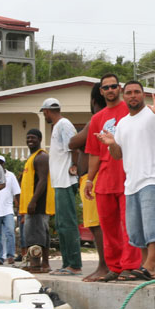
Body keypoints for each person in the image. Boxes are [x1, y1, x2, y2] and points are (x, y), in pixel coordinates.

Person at [96, 81, 155, 280]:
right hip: (132, 182)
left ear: (143, 95)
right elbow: (118, 155)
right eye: (129, 92)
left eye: (137, 92)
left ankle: (150, 266)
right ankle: (145, 268)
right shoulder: (123, 123)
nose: (133, 95)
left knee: (153, 224)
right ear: (123, 96)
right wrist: (112, 143)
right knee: (137, 230)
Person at [85, 74, 142, 281]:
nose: (110, 90)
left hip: (129, 177)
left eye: (113, 86)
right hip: (105, 180)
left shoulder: (130, 111)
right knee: (108, 228)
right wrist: (90, 179)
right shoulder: (96, 119)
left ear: (119, 89)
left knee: (129, 225)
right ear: (101, 91)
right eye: (106, 87)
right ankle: (115, 267)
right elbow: (94, 153)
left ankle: (130, 266)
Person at [69, 82, 108, 282]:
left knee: (96, 225)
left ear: (93, 100)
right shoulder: (105, 118)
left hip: (93, 176)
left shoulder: (97, 118)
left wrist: (78, 142)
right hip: (92, 175)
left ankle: (104, 266)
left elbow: (73, 142)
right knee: (97, 224)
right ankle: (106, 265)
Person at [40, 98, 82, 276]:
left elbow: (74, 146)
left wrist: (74, 165)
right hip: (59, 182)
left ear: (47, 111)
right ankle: (67, 264)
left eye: (44, 113)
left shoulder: (64, 124)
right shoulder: (58, 126)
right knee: (61, 224)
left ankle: (74, 264)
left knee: (68, 224)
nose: (44, 115)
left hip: (66, 181)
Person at [19, 129, 54, 273]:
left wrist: (33, 201)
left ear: (40, 139)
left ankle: (37, 265)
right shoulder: (32, 157)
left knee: (36, 235)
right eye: (28, 138)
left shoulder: (41, 157)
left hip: (38, 202)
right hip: (31, 203)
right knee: (36, 233)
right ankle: (41, 264)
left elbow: (43, 180)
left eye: (33, 138)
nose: (30, 140)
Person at [0, 155, 21, 265]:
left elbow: (17, 192)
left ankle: (10, 256)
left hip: (8, 210)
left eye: (1, 162)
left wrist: (20, 208)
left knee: (10, 232)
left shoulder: (11, 176)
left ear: (4, 164)